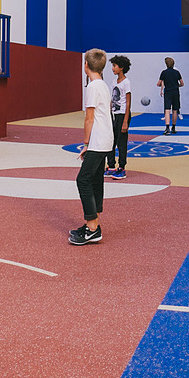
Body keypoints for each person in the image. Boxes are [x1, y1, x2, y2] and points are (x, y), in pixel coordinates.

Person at [70, 48, 114, 246]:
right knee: (96, 180)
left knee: (83, 180)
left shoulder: (92, 87)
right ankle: (93, 224)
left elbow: (89, 118)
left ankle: (92, 228)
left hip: (97, 140)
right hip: (106, 139)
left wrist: (86, 143)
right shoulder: (103, 85)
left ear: (85, 65)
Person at [105, 55, 131, 179]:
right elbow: (112, 99)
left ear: (121, 67)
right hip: (113, 115)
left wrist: (125, 121)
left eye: (114, 66)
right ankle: (110, 166)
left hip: (122, 115)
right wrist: (108, 112)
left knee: (121, 143)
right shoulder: (114, 82)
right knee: (111, 141)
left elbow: (128, 102)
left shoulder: (126, 82)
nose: (112, 68)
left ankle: (121, 168)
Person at [157, 57, 184, 135]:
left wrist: (163, 86)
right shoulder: (177, 72)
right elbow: (182, 83)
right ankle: (174, 127)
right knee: (175, 110)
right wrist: (177, 85)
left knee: (167, 110)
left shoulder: (164, 72)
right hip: (175, 92)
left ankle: (167, 128)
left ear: (166, 64)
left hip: (168, 92)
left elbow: (159, 83)